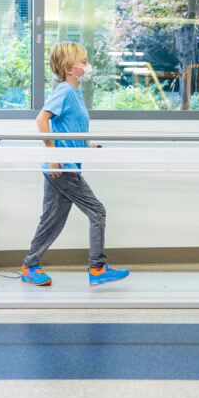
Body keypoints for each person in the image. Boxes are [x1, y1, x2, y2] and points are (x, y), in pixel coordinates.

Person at [21, 41, 130, 287]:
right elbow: (42, 119)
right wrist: (53, 154)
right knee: (97, 211)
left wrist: (88, 146)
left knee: (52, 220)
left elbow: (72, 127)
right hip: (63, 168)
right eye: (83, 62)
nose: (88, 66)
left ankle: (30, 266)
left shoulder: (75, 92)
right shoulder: (65, 91)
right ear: (70, 68)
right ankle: (98, 268)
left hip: (63, 167)